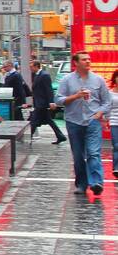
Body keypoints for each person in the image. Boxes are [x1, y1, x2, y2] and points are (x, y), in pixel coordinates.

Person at [57, 52, 111, 195]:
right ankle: (82, 184)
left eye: (89, 59)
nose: (88, 61)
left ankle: (96, 183)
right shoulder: (67, 80)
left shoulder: (98, 80)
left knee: (93, 153)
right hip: (74, 121)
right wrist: (75, 96)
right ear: (76, 63)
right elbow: (58, 100)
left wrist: (100, 113)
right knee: (78, 155)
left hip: (92, 121)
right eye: (84, 60)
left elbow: (106, 101)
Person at [29, 60, 66, 144]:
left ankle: (29, 137)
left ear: (36, 66)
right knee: (49, 120)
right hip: (38, 102)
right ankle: (60, 136)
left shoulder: (44, 75)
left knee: (33, 120)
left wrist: (51, 102)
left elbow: (48, 89)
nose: (30, 69)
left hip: (42, 103)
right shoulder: (36, 75)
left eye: (31, 67)